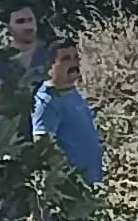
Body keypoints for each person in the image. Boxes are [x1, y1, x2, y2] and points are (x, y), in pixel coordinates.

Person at [31, 38, 106, 192]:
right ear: (50, 66)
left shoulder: (71, 92)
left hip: (92, 184)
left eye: (75, 57)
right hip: (72, 191)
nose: (73, 64)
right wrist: (68, 180)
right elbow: (43, 145)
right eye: (65, 59)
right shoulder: (47, 100)